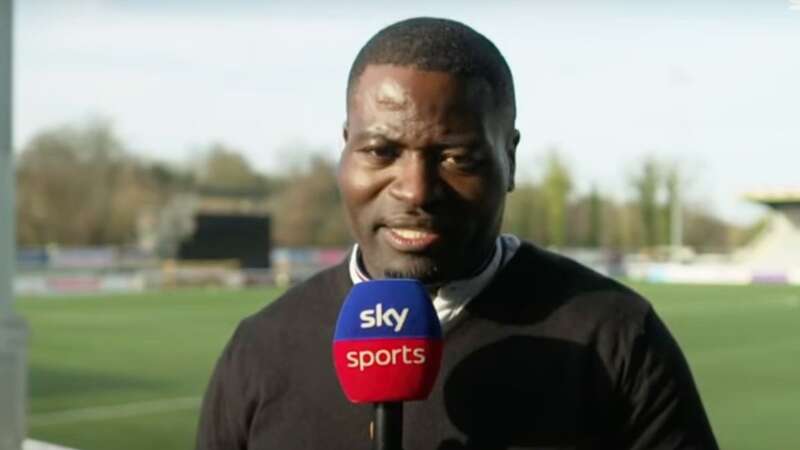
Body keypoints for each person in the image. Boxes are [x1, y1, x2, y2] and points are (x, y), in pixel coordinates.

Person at [196, 17, 719, 450]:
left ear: (508, 159)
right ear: (345, 150)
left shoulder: (618, 337)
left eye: (457, 157)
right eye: (381, 152)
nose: (416, 190)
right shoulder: (260, 349)